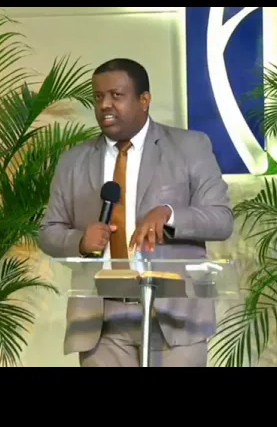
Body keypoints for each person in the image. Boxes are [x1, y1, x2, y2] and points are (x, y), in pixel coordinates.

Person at [39, 58, 233, 367]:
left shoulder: (190, 147)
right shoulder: (73, 161)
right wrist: (79, 241)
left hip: (174, 316)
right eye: (99, 96)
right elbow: (49, 231)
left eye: (116, 95)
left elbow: (221, 219)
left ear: (144, 100)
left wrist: (170, 215)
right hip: (102, 321)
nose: (105, 105)